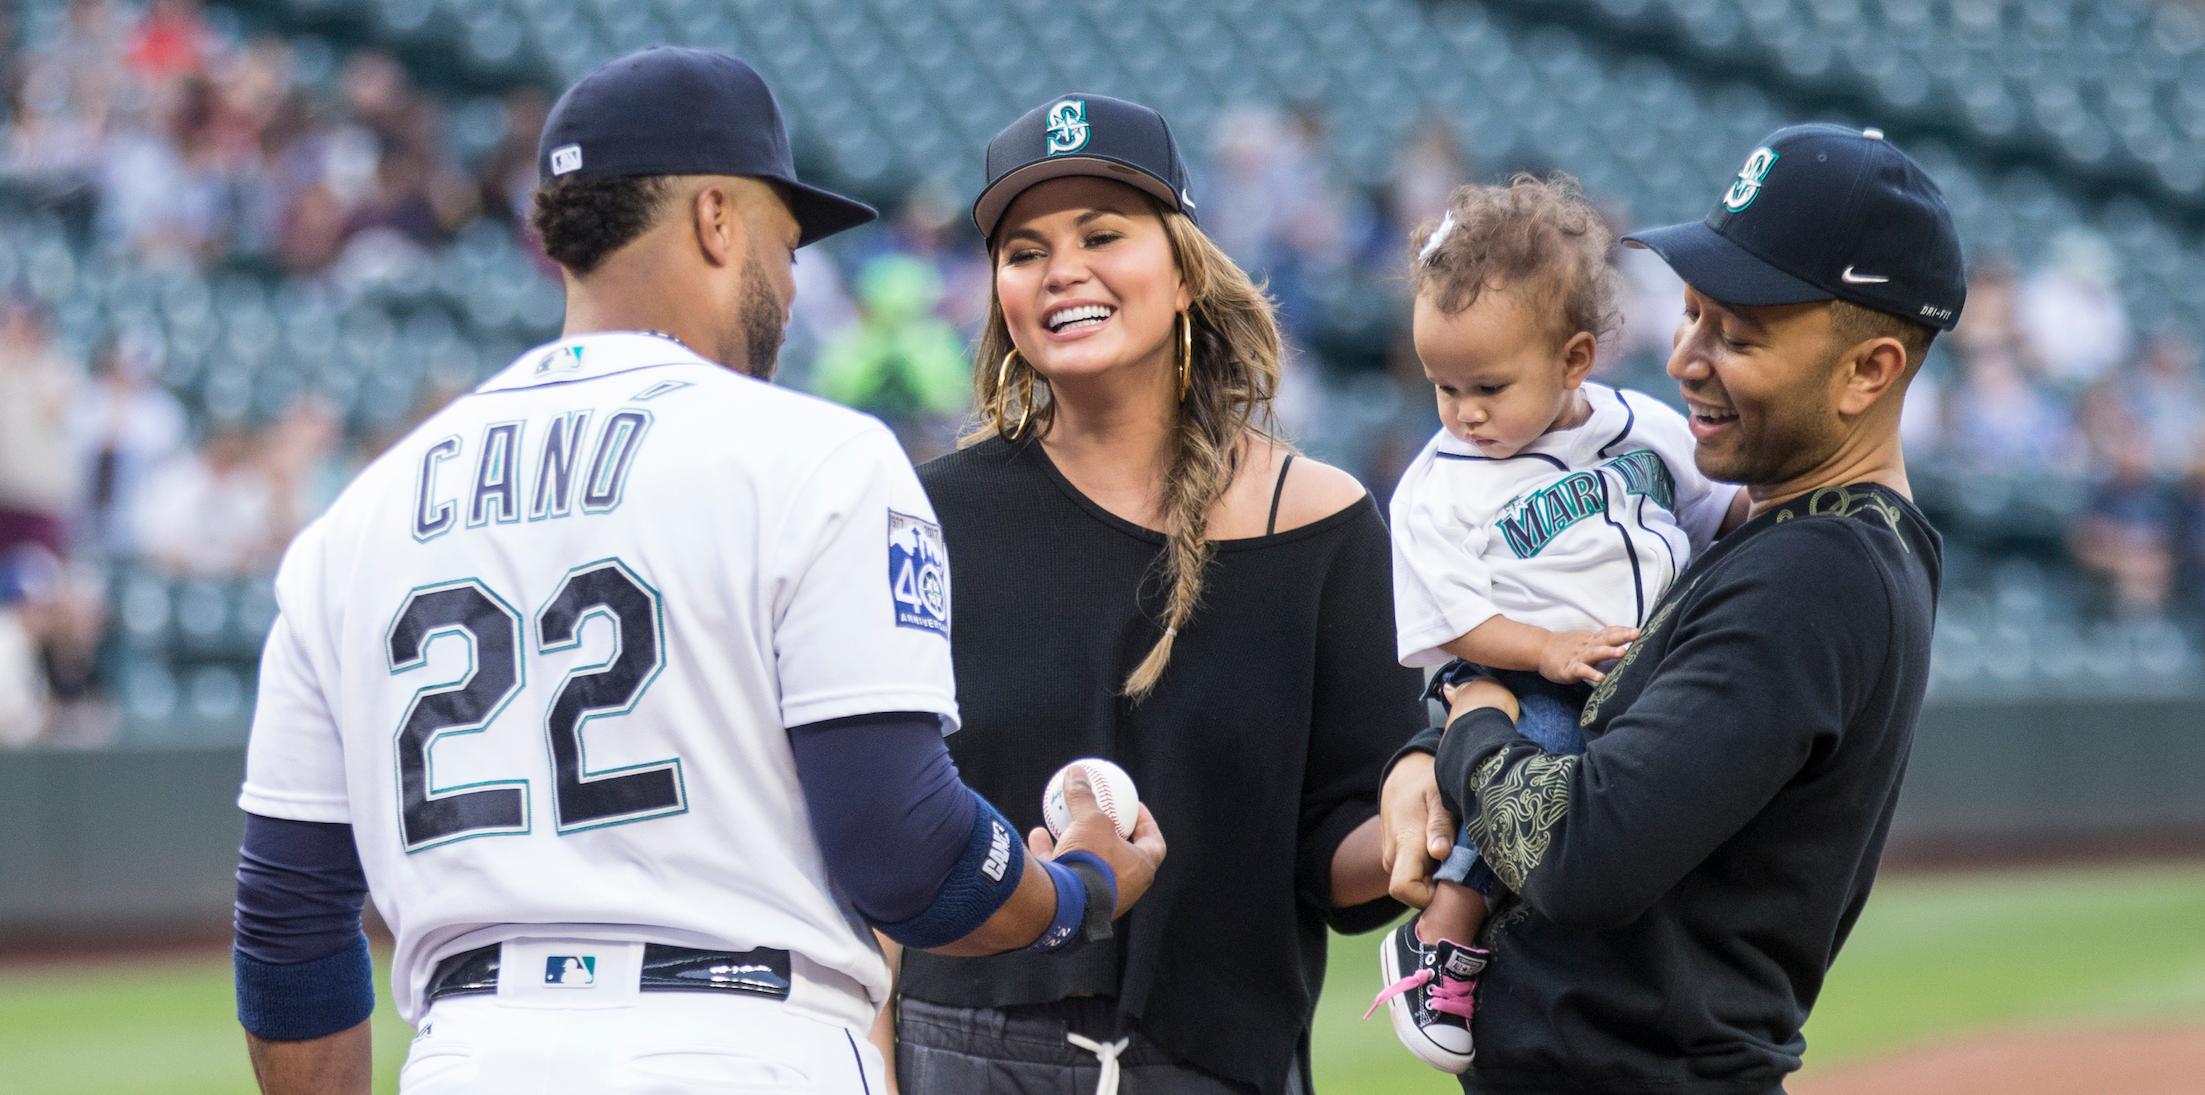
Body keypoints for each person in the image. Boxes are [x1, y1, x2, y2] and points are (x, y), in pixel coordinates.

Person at [229, 49, 1165, 1095]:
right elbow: (906, 853)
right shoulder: (814, 457)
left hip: (467, 1051)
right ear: (716, 218)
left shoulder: (356, 518)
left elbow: (287, 922)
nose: (795, 273)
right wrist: (1079, 886)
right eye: (786, 235)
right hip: (740, 1043)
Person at [1379, 123, 1960, 1093]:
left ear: (1870, 369)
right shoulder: (1785, 536)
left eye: (1739, 334)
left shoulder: (1817, 573)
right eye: (1691, 316)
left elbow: (1579, 853)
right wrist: (1424, 745)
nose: (1688, 357)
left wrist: (1471, 721)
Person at [887, 93, 1423, 1095]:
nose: (1063, 272)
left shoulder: (1325, 525)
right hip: (960, 1056)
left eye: (1102, 234)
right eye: (1025, 250)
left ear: (1183, 271)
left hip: (1217, 1064)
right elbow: (887, 836)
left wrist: (1435, 821)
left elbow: (1342, 857)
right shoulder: (928, 515)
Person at [1366, 175, 1743, 1073]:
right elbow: (1455, 623)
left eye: (1487, 385)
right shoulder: (1438, 483)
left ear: (1575, 360)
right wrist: (1543, 649)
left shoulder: (1640, 424)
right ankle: (1443, 932)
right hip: (1524, 673)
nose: (1462, 410)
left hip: (1636, 664)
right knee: (1545, 761)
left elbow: (1714, 511)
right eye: (1442, 385)